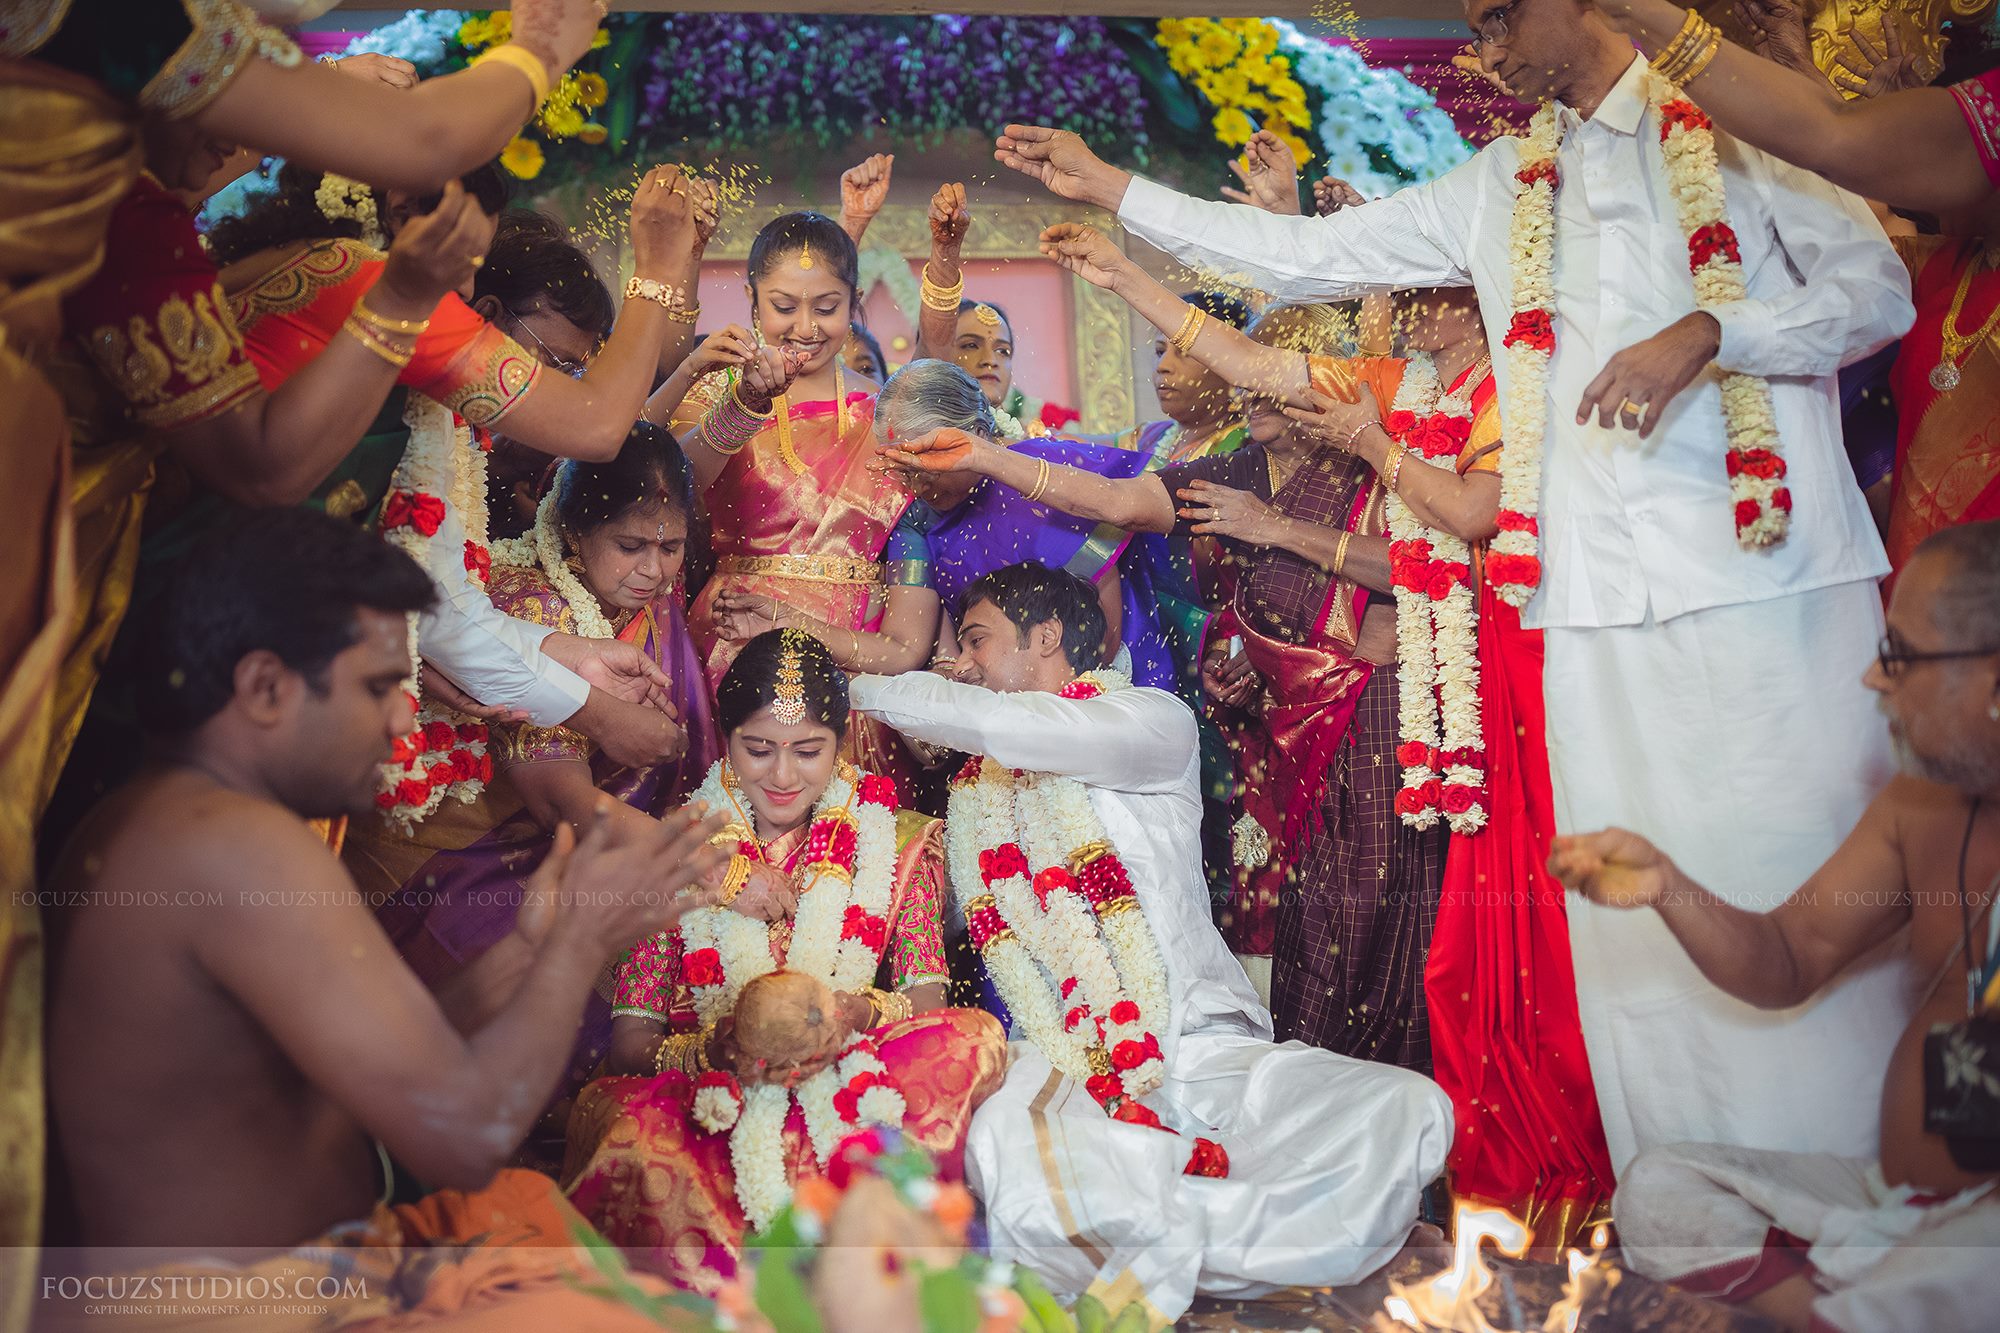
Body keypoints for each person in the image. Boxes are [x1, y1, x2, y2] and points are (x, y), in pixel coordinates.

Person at [992, 0, 1917, 1168]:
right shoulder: (1500, 184)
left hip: (1762, 581)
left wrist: (1710, 334)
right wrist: (1116, 187)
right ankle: (1686, 1199)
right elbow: (1307, 257)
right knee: (1628, 929)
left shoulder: (1742, 126)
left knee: (1792, 872)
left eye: (1497, 14)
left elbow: (1876, 294)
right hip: (1584, 610)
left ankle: (1854, 1184)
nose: (1481, 45)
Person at [39, 508, 727, 1328]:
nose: (405, 718)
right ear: (264, 688)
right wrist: (580, 944)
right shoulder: (233, 849)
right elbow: (463, 1134)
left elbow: (389, 1071)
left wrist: (532, 950)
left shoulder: (179, 822)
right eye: (377, 687)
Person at [889, 231, 1444, 1068]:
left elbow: (1430, 562)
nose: (1250, 378)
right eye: (1248, 361)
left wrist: (1276, 531)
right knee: (1302, 923)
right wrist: (988, 454)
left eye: (1274, 367)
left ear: (1338, 387)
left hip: (1369, 724)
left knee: (1382, 918)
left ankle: (1394, 1106)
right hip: (1267, 733)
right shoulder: (1234, 473)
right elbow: (1116, 497)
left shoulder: (1377, 466)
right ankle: (1303, 1081)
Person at [847, 562, 1453, 1322]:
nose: (961, 663)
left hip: (1200, 1048)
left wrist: (847, 684)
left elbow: (1014, 726)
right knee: (1006, 1144)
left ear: (1046, 636)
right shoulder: (978, 801)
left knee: (1404, 1105)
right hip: (1076, 1066)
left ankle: (1177, 1246)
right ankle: (1303, 1262)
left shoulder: (1148, 720)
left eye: (975, 640)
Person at [1553, 521, 2000, 1333]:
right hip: (1887, 1208)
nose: (1871, 676)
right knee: (1660, 1188)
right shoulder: (1918, 806)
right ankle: (1855, 1315)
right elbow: (1791, 955)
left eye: (1899, 654)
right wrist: (1666, 886)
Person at [1296, 287, 1617, 1245]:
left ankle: (1576, 1168)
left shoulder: (1515, 381)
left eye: (1435, 295)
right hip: (1479, 679)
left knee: (1547, 922)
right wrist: (1121, 261)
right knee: (1472, 944)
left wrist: (1372, 444)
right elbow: (1269, 368)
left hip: (1532, 659)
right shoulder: (1424, 386)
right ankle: (1502, 1176)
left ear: (1481, 300)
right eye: (1411, 296)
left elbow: (1478, 511)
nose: (1414, 314)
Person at [562, 629, 1006, 1293]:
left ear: (842, 739)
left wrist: (855, 1012)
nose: (782, 775)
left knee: (973, 1037)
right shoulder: (679, 842)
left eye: (808, 750)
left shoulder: (898, 835)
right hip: (712, 1092)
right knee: (628, 1132)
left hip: (853, 1066)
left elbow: (928, 1000)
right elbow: (631, 1042)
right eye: (758, 749)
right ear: (725, 737)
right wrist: (717, 1047)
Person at [349, 426, 720, 1123]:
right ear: (577, 534)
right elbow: (568, 802)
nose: (655, 570)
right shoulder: (533, 600)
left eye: (671, 548)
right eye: (632, 546)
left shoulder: (648, 600)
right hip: (523, 852)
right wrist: (717, 866)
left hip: (641, 844)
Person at [674, 212, 915, 780]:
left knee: (853, 829)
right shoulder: (717, 387)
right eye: (785, 307)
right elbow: (672, 486)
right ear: (753, 300)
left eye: (826, 308)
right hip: (736, 632)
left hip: (855, 643)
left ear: (854, 304)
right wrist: (745, 403)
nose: (805, 326)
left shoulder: (884, 410)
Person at [1588, 0, 1999, 213]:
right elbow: (1880, 209)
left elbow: (1833, 138)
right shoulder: (1942, 270)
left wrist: (1643, 13)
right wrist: (1798, 67)